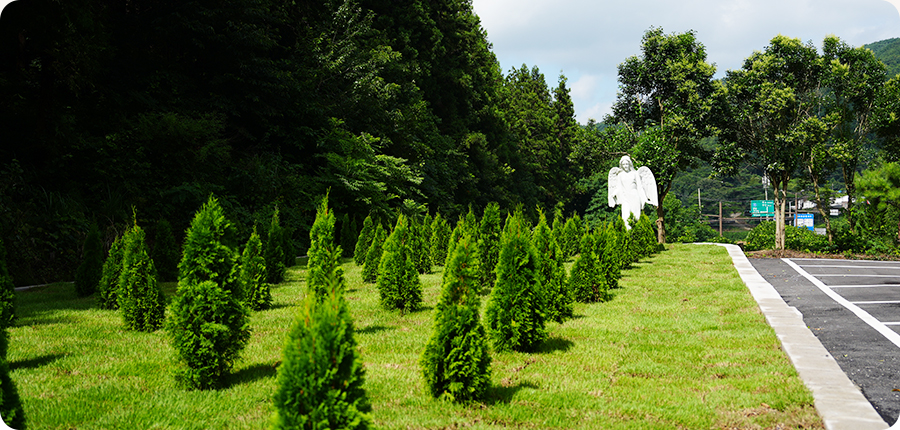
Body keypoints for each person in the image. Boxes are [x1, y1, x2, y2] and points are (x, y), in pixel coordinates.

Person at [608, 155, 657, 229]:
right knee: (625, 217)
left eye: (627, 164)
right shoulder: (620, 175)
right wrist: (612, 194)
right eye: (623, 164)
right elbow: (618, 187)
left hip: (635, 197)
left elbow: (640, 188)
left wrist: (645, 199)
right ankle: (628, 235)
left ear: (630, 164)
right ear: (621, 165)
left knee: (635, 217)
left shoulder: (635, 174)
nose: (625, 166)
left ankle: (634, 235)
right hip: (625, 198)